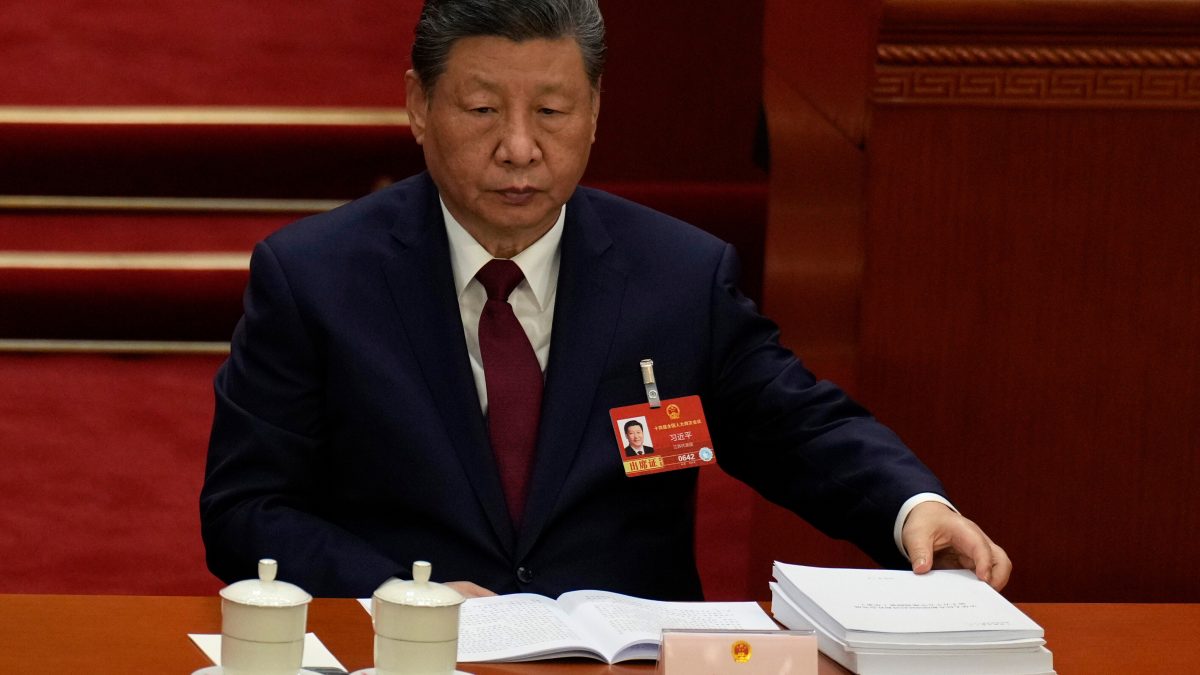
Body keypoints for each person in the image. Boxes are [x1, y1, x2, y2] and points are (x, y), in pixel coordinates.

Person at [201, 0, 1010, 600]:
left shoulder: (678, 275)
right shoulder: (314, 277)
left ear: (595, 113)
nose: (519, 147)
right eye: (482, 110)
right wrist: (402, 594)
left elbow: (794, 423)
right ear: (418, 104)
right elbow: (245, 510)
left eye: (551, 112)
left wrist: (911, 506)